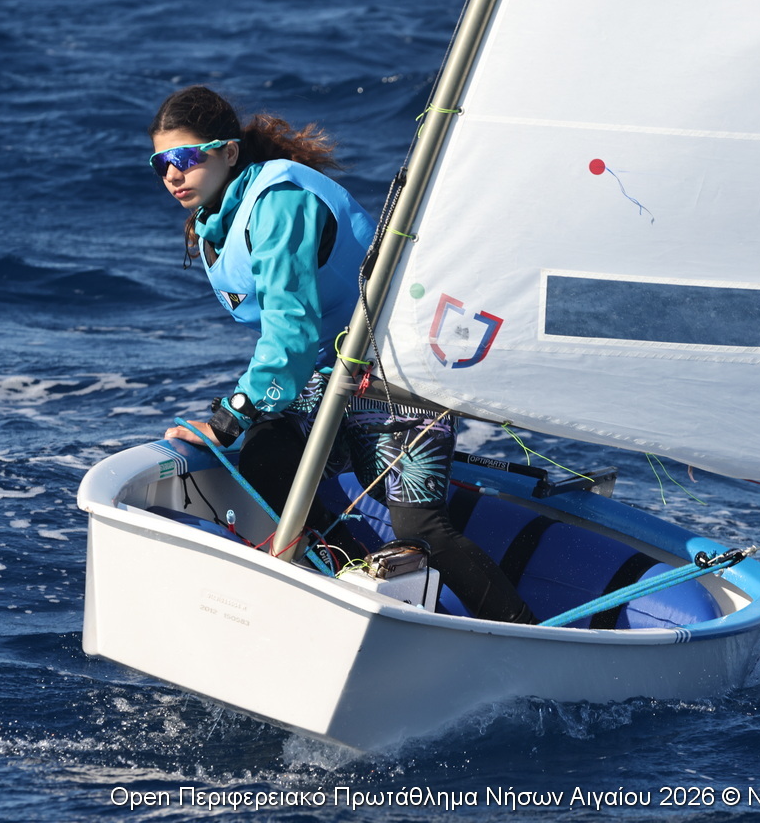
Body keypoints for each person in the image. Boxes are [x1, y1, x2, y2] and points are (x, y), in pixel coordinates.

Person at [149, 85, 533, 624]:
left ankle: (525, 631)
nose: (172, 174)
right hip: (331, 375)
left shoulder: (280, 202)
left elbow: (291, 333)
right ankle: (354, 588)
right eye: (161, 162)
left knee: (421, 528)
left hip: (396, 376)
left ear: (229, 152)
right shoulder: (218, 217)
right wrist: (245, 419)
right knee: (267, 456)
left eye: (187, 157)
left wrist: (229, 418)